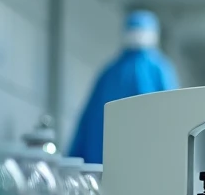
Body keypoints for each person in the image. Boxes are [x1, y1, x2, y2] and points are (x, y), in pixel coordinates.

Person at [68, 10, 179, 164]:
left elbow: (86, 126)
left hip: (107, 167)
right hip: (146, 165)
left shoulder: (111, 72)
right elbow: (175, 119)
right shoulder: (159, 69)